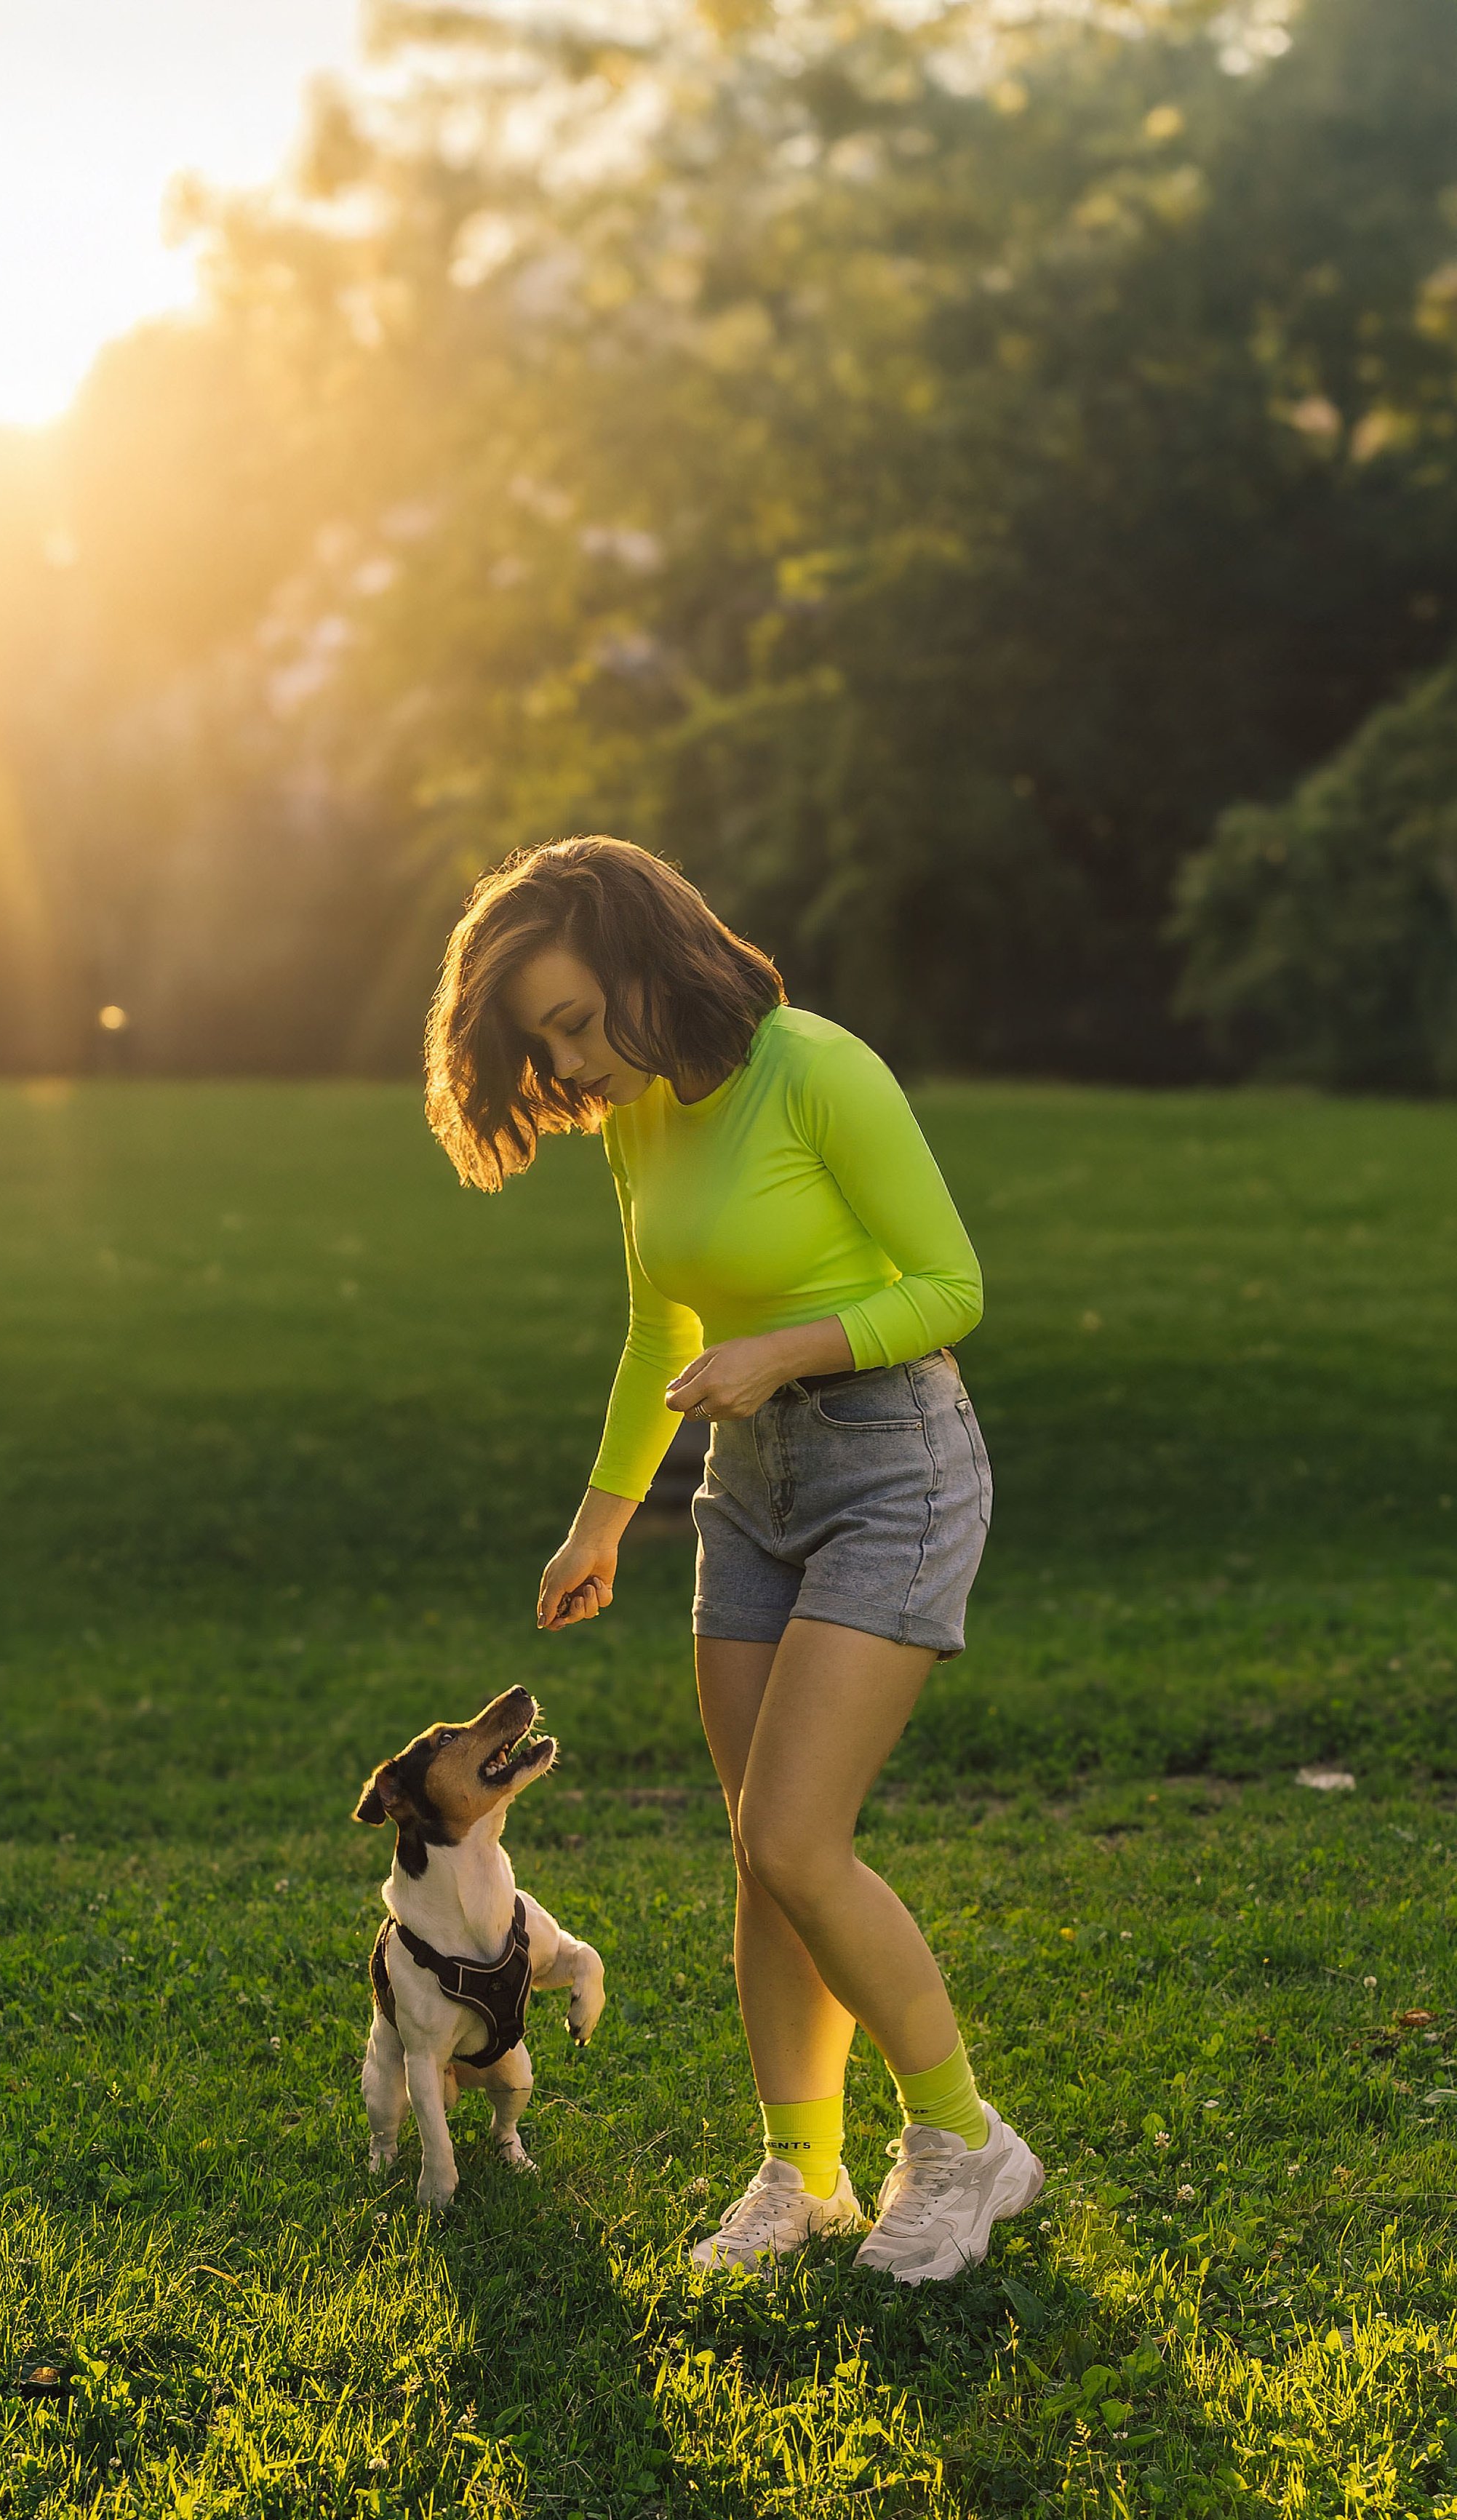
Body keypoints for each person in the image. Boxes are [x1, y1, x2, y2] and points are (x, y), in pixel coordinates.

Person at [423, 836, 1042, 2282]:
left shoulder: (814, 1070)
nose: (569, 1068)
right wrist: (598, 1521)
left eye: (577, 1023)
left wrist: (782, 1351)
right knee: (758, 1858)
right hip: (744, 1485)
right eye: (542, 1044)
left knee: (793, 1838)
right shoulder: (636, 1113)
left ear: (647, 962)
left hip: (892, 1464)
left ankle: (964, 2146)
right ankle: (800, 2172)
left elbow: (949, 1287)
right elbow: (662, 1331)